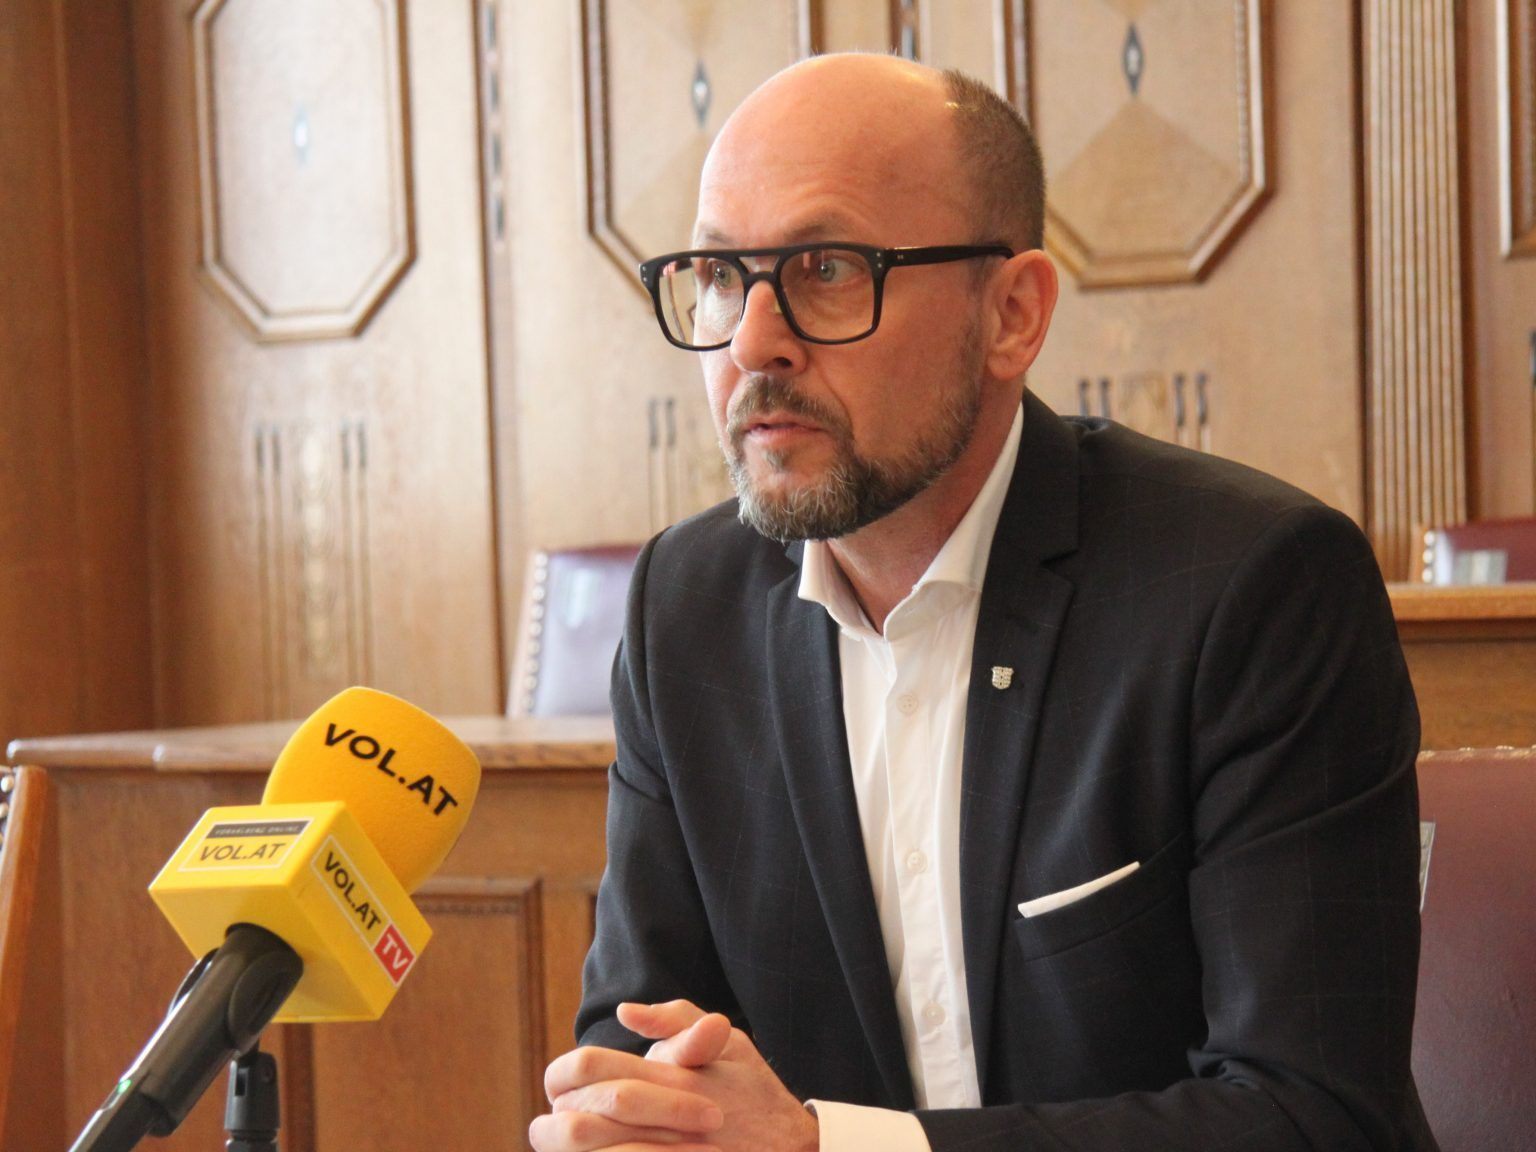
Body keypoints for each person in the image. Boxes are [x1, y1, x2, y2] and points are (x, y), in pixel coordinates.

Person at [530, 53, 1437, 1152]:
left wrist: (833, 1148)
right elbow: (643, 1046)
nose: (753, 342)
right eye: (720, 275)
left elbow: (1312, 1115)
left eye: (827, 269)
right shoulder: (685, 609)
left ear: (1012, 314)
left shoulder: (1251, 587)